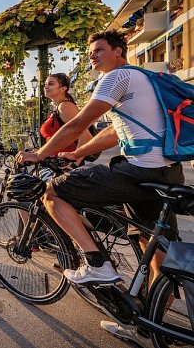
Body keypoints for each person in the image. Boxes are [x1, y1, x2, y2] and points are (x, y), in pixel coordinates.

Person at [15, 29, 184, 347]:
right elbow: (117, 132)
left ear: (119, 51)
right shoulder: (140, 79)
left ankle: (97, 264)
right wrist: (78, 153)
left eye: (100, 50)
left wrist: (39, 154)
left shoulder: (116, 77)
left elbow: (77, 124)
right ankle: (150, 326)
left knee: (52, 193)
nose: (93, 56)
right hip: (166, 174)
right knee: (158, 253)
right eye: (91, 51)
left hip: (139, 171)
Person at [39, 73, 92, 158]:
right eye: (45, 84)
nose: (46, 87)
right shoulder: (56, 108)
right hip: (55, 162)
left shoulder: (65, 107)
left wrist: (73, 163)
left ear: (63, 89)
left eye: (51, 84)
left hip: (65, 165)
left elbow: (86, 138)